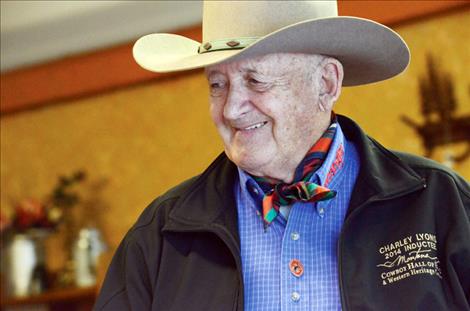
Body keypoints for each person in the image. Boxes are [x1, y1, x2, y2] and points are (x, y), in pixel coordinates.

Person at [94, 1, 470, 310]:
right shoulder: (161, 236)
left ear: (326, 83)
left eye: (256, 81)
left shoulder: (439, 203)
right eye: (217, 85)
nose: (231, 109)